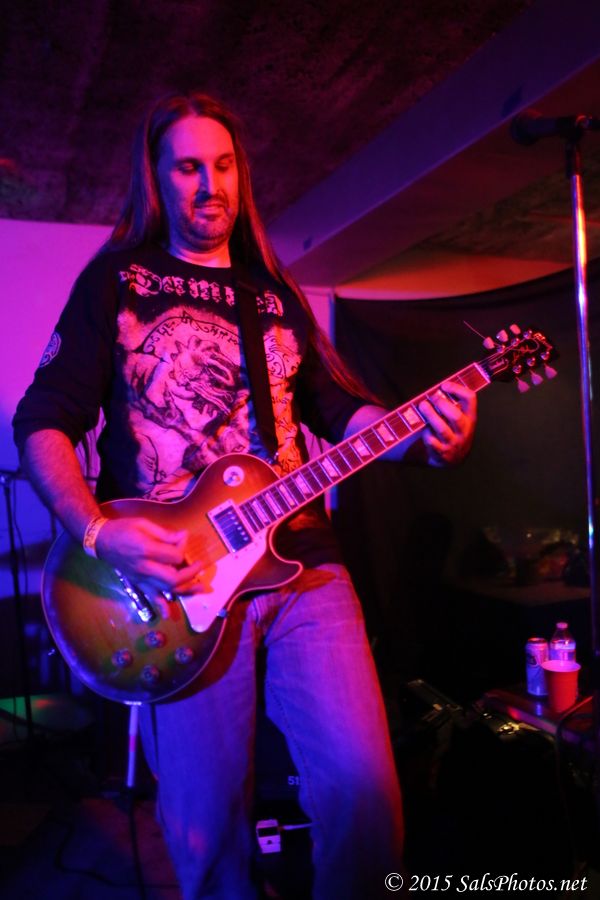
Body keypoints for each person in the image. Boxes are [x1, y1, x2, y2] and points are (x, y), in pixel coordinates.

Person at [13, 91, 476, 899]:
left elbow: (341, 411)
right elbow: (42, 420)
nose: (210, 185)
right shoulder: (118, 280)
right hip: (177, 585)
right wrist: (95, 531)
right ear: (157, 177)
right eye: (188, 167)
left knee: (364, 791)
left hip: (304, 568)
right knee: (206, 828)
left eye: (223, 166)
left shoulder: (275, 294)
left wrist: (428, 435)